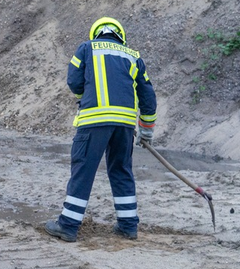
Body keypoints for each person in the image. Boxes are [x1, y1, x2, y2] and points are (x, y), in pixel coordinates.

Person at [45, 17, 157, 243]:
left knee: (84, 170)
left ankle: (67, 226)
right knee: (121, 170)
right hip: (125, 125)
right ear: (120, 35)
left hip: (94, 121)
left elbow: (73, 80)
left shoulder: (86, 48)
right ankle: (128, 226)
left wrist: (84, 98)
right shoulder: (133, 56)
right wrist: (146, 130)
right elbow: (148, 96)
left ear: (96, 33)